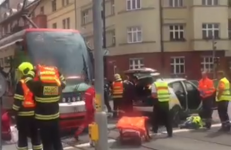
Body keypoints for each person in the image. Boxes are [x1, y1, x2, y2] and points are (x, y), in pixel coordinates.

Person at [22, 62, 66, 150]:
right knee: (57, 142)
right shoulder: (57, 86)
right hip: (55, 118)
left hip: (42, 120)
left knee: (47, 143)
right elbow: (63, 82)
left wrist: (34, 70)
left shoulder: (38, 86)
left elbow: (27, 79)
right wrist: (56, 71)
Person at [12, 62, 42, 150]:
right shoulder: (36, 82)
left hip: (23, 116)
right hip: (35, 115)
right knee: (36, 135)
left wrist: (13, 112)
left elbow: (18, 100)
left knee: (22, 137)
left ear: (24, 72)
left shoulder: (21, 83)